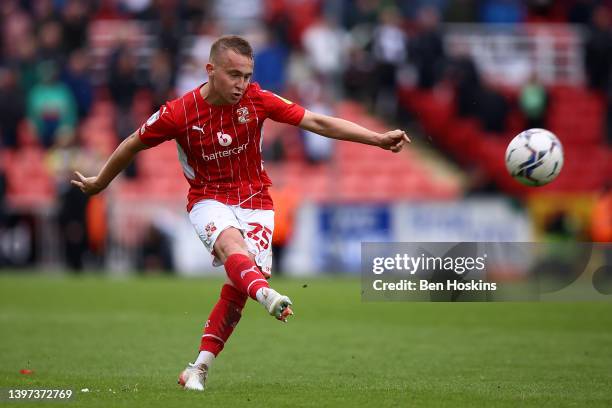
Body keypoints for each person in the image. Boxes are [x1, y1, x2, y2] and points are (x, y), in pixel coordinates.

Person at [71, 35, 410, 392]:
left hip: (257, 201)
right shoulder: (178, 112)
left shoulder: (258, 100)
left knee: (239, 285)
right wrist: (100, 182)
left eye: (247, 75)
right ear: (210, 70)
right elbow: (131, 144)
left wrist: (376, 138)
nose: (241, 84)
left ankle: (198, 368)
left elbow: (317, 123)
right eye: (234, 75)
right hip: (208, 199)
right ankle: (267, 296)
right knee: (236, 251)